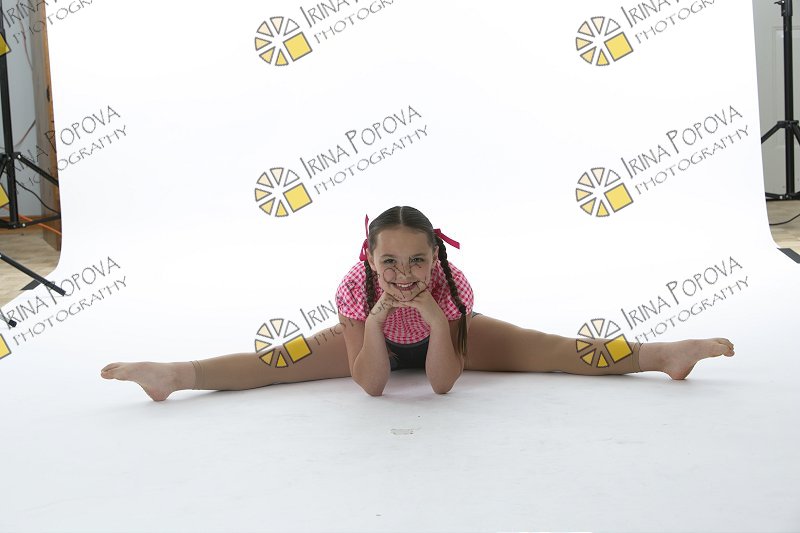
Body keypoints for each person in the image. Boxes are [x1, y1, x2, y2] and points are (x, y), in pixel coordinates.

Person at [101, 205, 735, 400]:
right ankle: (175, 375)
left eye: (417, 261)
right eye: (389, 262)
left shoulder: (453, 290)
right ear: (369, 260)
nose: (404, 275)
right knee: (273, 361)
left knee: (556, 350)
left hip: (447, 338)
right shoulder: (355, 289)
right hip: (368, 344)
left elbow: (442, 385)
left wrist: (435, 316)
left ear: (437, 258)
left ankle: (661, 354)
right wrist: (376, 324)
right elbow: (372, 387)